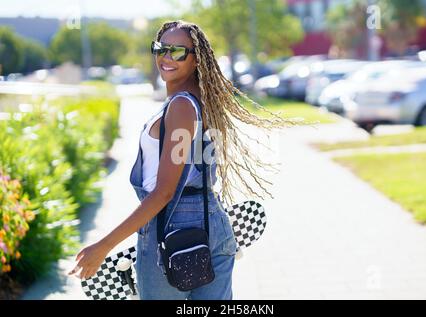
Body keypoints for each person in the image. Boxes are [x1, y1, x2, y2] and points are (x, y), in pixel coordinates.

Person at [69, 20, 300, 300]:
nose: (166, 57)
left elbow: (165, 192)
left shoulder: (181, 106)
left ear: (196, 59)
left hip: (171, 227)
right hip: (212, 222)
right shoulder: (203, 100)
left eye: (177, 51)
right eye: (160, 49)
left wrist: (103, 246)